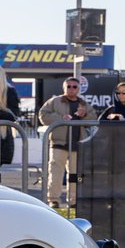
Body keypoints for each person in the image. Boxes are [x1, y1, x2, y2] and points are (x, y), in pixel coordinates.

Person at [38, 77, 89, 208]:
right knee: (55, 173)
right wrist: (60, 118)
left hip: (77, 144)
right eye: (69, 86)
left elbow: (94, 118)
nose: (71, 89)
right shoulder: (55, 101)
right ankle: (53, 200)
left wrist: (85, 115)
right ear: (64, 88)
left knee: (74, 175)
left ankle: (73, 201)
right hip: (58, 143)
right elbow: (42, 115)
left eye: (74, 86)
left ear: (78, 89)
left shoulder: (83, 103)